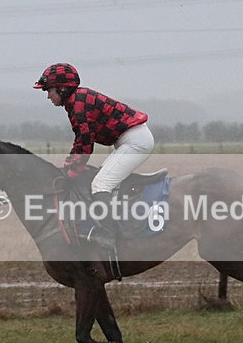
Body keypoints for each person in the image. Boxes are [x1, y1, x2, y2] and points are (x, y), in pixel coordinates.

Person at [34, 62, 154, 249]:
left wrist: (71, 172)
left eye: (49, 90)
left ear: (62, 89)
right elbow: (81, 140)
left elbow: (85, 141)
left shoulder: (78, 102)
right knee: (101, 181)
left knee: (100, 184)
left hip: (136, 141)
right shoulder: (75, 100)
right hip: (130, 139)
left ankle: (110, 234)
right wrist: (70, 167)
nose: (48, 95)